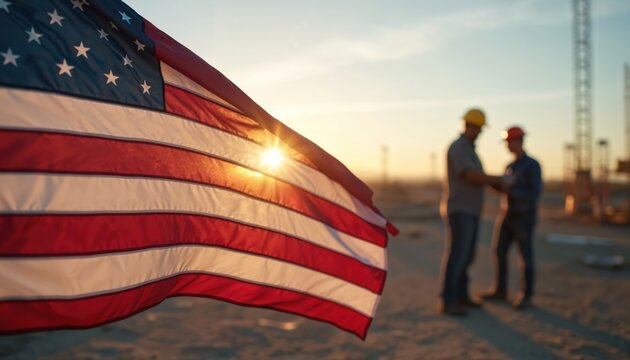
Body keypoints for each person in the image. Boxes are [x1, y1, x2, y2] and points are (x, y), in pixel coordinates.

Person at [438, 108, 505, 316]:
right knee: (458, 255)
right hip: (460, 209)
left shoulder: (470, 150)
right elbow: (471, 176)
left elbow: (479, 177)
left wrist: (497, 185)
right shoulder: (458, 148)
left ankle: (461, 295)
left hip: (471, 210)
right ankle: (449, 300)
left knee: (467, 255)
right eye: (478, 128)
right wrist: (499, 180)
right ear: (469, 126)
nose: (480, 132)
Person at [481, 126, 542, 310]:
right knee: (498, 251)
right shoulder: (510, 166)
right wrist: (493, 184)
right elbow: (503, 190)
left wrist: (512, 191)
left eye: (509, 142)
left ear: (519, 141)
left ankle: (526, 294)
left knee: (525, 256)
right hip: (506, 215)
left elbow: (534, 193)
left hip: (523, 216)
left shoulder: (532, 165)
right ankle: (500, 290)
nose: (507, 146)